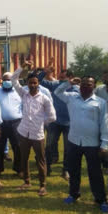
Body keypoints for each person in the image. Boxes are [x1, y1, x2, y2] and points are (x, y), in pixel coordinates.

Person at [54, 76, 108, 213]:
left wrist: (105, 143)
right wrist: (68, 83)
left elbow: (105, 123)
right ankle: (73, 194)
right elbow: (57, 92)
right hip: (74, 141)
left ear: (94, 86)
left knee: (95, 173)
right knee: (74, 170)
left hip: (93, 143)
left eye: (89, 84)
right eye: (83, 83)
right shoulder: (72, 97)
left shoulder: (100, 102)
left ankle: (101, 199)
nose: (86, 86)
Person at [11, 61, 56, 196]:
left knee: (40, 160)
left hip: (37, 134)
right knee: (24, 158)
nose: (32, 85)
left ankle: (42, 185)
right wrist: (22, 67)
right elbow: (14, 79)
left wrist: (41, 123)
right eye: (30, 83)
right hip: (24, 132)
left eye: (35, 83)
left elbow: (52, 116)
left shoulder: (44, 98)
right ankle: (27, 181)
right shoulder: (23, 93)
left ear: (38, 84)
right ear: (27, 83)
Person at [38, 67, 79, 180]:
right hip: (54, 121)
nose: (60, 80)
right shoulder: (55, 84)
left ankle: (65, 170)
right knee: (50, 145)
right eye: (60, 78)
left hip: (69, 123)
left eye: (63, 78)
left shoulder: (76, 89)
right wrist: (45, 71)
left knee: (68, 148)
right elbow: (39, 80)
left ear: (70, 78)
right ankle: (47, 168)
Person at [0, 72, 22, 176]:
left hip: (16, 123)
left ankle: (18, 168)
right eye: (5, 80)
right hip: (1, 124)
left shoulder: (19, 92)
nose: (7, 82)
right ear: (1, 81)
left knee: (17, 146)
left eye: (9, 80)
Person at [94, 70, 108, 174]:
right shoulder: (99, 89)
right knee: (101, 143)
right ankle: (104, 164)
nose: (105, 79)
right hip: (100, 121)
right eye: (104, 77)